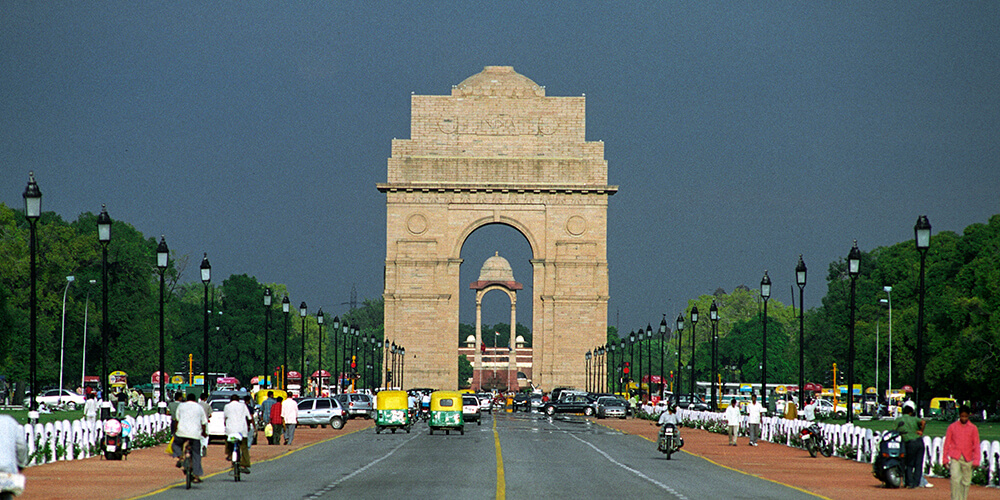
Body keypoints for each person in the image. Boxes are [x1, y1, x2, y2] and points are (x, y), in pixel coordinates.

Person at [942, 405, 980, 500]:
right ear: (959, 415)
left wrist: (976, 460)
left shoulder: (973, 428)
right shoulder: (952, 427)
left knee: (966, 482)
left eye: (965, 416)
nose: (964, 418)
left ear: (968, 416)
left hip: (968, 457)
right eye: (962, 416)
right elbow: (947, 443)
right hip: (956, 456)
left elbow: (976, 445)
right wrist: (945, 459)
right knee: (955, 480)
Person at [171, 393, 207, 483]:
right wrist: (204, 432)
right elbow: (204, 423)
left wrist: (175, 432)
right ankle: (196, 476)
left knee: (175, 444)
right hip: (195, 434)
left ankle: (180, 456)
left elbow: (177, 420)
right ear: (195, 399)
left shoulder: (181, 406)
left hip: (181, 432)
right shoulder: (199, 407)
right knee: (196, 454)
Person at [895, 400, 926, 489]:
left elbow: (894, 430)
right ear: (911, 411)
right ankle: (916, 483)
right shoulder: (914, 419)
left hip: (909, 442)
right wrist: (921, 431)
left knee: (909, 464)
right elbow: (923, 422)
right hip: (919, 442)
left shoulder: (899, 420)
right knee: (918, 464)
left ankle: (909, 483)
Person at [223, 394, 252, 473]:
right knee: (244, 447)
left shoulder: (227, 406)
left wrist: (226, 426)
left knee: (228, 441)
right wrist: (249, 426)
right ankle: (244, 464)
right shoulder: (243, 406)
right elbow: (249, 418)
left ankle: (229, 454)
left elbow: (225, 419)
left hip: (230, 430)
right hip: (242, 431)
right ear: (239, 400)